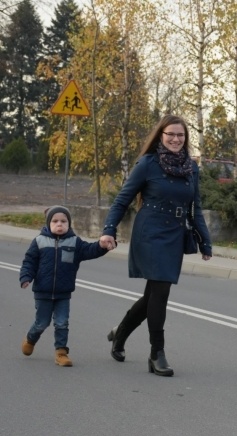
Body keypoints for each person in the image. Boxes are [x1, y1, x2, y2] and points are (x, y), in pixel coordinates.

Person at [98, 115, 212, 377]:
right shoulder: (148, 164)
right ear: (160, 136)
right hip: (149, 233)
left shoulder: (191, 168)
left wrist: (205, 241)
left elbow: (196, 208)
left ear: (186, 139)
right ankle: (156, 353)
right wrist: (108, 231)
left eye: (180, 135)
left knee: (153, 295)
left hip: (174, 234)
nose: (175, 139)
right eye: (170, 134)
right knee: (160, 292)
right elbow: (122, 200)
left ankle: (121, 332)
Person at [19, 206, 111, 366]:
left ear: (69, 223)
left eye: (63, 221)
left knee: (62, 323)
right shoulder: (39, 241)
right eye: (55, 221)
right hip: (43, 292)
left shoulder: (74, 242)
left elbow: (90, 250)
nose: (59, 224)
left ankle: (61, 353)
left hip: (63, 293)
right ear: (48, 223)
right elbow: (29, 262)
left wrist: (102, 246)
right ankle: (30, 338)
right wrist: (26, 277)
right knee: (42, 323)